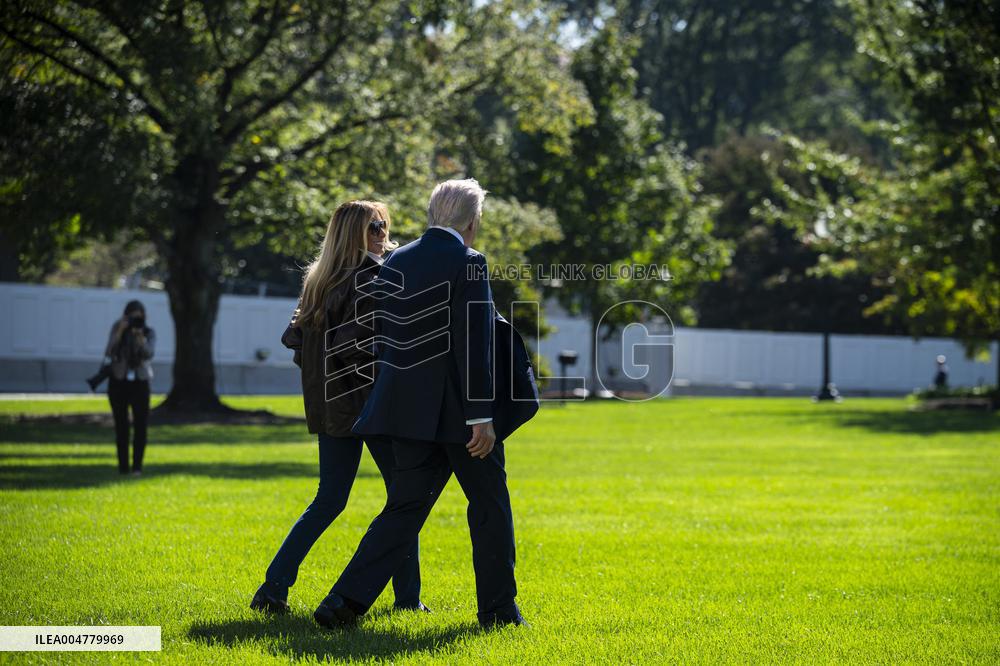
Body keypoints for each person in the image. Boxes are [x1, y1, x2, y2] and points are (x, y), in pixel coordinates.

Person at [313, 179, 526, 630]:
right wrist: (482, 416)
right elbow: (475, 344)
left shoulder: (396, 260)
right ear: (472, 222)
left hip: (407, 414)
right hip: (462, 419)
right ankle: (499, 612)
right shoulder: (470, 262)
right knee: (489, 505)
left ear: (432, 213)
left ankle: (342, 602)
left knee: (404, 508)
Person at [250, 200, 429, 615]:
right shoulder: (370, 278)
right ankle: (407, 600)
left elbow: (299, 346)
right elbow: (362, 351)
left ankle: (273, 588)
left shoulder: (318, 280)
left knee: (329, 501)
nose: (384, 233)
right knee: (404, 500)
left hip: (332, 408)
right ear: (354, 234)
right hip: (371, 409)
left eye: (384, 224)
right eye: (375, 227)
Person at [102, 300, 155, 476]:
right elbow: (109, 352)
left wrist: (140, 338)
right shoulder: (118, 329)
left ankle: (137, 467)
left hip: (140, 382)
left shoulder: (148, 332)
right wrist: (120, 331)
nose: (134, 320)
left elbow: (149, 354)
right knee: (121, 426)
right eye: (131, 316)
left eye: (138, 317)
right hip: (119, 381)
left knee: (141, 426)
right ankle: (123, 467)